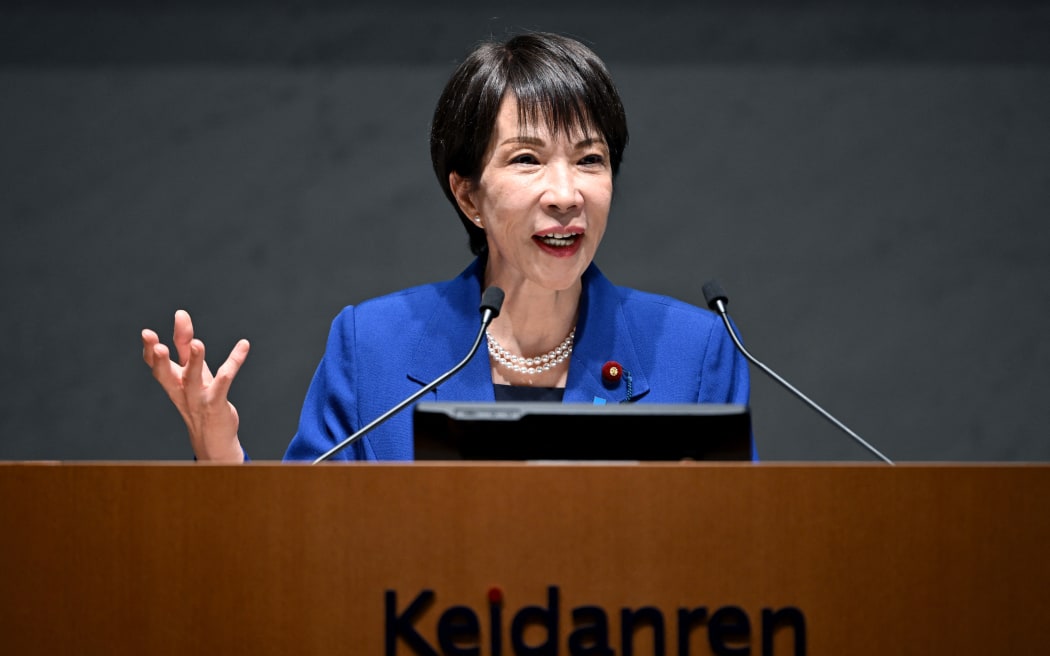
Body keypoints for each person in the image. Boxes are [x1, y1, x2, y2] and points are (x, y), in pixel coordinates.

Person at [141, 31, 753, 462]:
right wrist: (221, 456)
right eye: (527, 159)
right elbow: (303, 547)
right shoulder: (373, 346)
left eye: (589, 159)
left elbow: (735, 555)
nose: (566, 194)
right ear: (468, 195)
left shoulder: (695, 353)